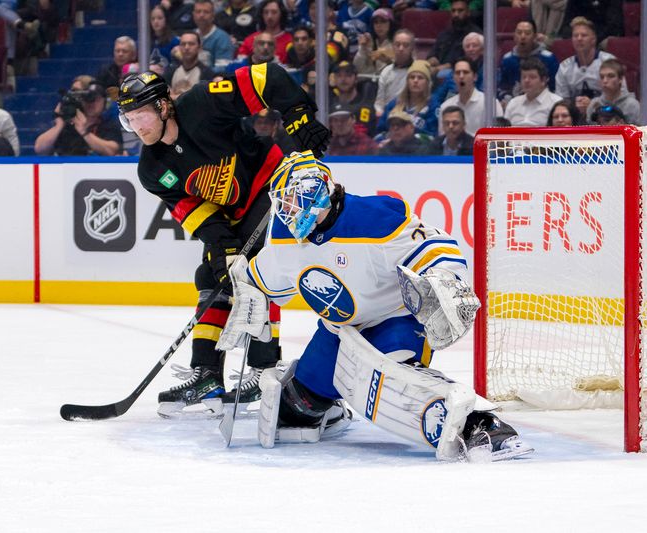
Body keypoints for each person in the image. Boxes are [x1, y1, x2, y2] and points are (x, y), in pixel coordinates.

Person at [215, 150, 533, 462]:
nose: (286, 211)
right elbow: (263, 279)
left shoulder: (373, 218)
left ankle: (482, 425)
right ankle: (332, 410)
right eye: (281, 201)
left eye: (291, 199)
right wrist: (246, 295)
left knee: (400, 386)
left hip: (393, 320)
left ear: (316, 192)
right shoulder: (285, 237)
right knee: (296, 410)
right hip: (337, 332)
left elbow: (434, 246)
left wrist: (444, 278)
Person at [116, 65, 330, 416]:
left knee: (256, 274)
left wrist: (298, 115)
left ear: (164, 106)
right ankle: (207, 374)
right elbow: (195, 213)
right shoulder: (151, 169)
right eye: (130, 119)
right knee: (213, 277)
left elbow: (266, 78)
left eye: (141, 115)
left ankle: (264, 370)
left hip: (270, 182)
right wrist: (223, 246)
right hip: (232, 212)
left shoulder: (202, 104)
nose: (138, 127)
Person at [34, 76, 122, 156]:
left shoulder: (108, 125)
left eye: (94, 98)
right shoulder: (67, 126)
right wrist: (59, 125)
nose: (90, 103)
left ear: (105, 102)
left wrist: (84, 132)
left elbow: (112, 151)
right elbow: (40, 149)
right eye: (83, 98)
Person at [555, 17, 622, 107]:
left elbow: (621, 96)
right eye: (575, 35)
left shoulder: (609, 61)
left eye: (584, 35)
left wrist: (593, 104)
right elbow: (561, 101)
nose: (579, 39)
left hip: (606, 113)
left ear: (593, 39)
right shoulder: (564, 67)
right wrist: (574, 105)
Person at [438, 58, 502, 136]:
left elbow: (498, 136)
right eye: (457, 73)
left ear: (475, 77)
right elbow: (443, 139)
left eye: (465, 72)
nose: (461, 76)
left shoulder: (491, 104)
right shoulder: (445, 106)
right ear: (453, 78)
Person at [499, 20, 559, 102]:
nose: (523, 37)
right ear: (514, 36)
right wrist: (507, 100)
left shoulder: (548, 58)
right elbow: (502, 87)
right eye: (519, 33)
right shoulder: (507, 60)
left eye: (527, 33)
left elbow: (555, 88)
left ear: (535, 36)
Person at [378, 60, 438, 138]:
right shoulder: (394, 103)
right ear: (407, 81)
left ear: (427, 83)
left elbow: (432, 136)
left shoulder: (433, 106)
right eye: (412, 77)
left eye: (420, 78)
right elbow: (380, 130)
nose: (415, 81)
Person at [427, 0, 480, 78]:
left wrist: (443, 67)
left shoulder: (475, 35)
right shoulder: (444, 33)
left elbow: (469, 60)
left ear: (468, 12)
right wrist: (432, 59)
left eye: (460, 11)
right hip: (438, 71)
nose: (456, 14)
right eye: (453, 11)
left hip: (460, 73)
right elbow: (433, 53)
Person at [504, 57, 563, 126]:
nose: (526, 81)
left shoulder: (556, 103)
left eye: (532, 77)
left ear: (543, 80)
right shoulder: (513, 103)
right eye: (523, 77)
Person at [374, 29, 415, 115]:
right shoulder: (386, 71)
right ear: (393, 46)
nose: (401, 48)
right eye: (397, 44)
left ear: (412, 48)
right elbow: (379, 104)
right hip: (388, 117)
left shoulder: (418, 72)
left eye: (406, 45)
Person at [586, 58, 639, 124]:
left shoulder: (632, 105)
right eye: (602, 77)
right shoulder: (593, 104)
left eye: (610, 76)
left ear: (621, 79)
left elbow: (639, 132)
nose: (605, 81)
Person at [238, 0, 292, 65]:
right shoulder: (250, 40)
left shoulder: (290, 40)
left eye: (274, 12)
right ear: (261, 14)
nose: (269, 16)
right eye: (266, 12)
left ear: (282, 14)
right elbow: (240, 64)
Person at [330, 61, 376, 136]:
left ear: (356, 79)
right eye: (339, 75)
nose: (343, 79)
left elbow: (365, 134)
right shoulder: (329, 105)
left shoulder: (365, 106)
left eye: (348, 75)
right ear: (334, 79)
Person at [193, 0, 234, 73]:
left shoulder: (222, 38)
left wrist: (199, 74)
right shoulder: (191, 35)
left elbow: (223, 68)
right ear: (193, 15)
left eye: (206, 12)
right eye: (198, 12)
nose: (201, 15)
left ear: (213, 15)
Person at [353, 7, 394, 76]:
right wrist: (362, 49)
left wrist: (388, 61)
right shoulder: (368, 42)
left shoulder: (397, 43)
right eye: (376, 22)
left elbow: (400, 70)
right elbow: (357, 69)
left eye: (383, 21)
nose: (379, 25)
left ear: (391, 24)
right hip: (369, 81)